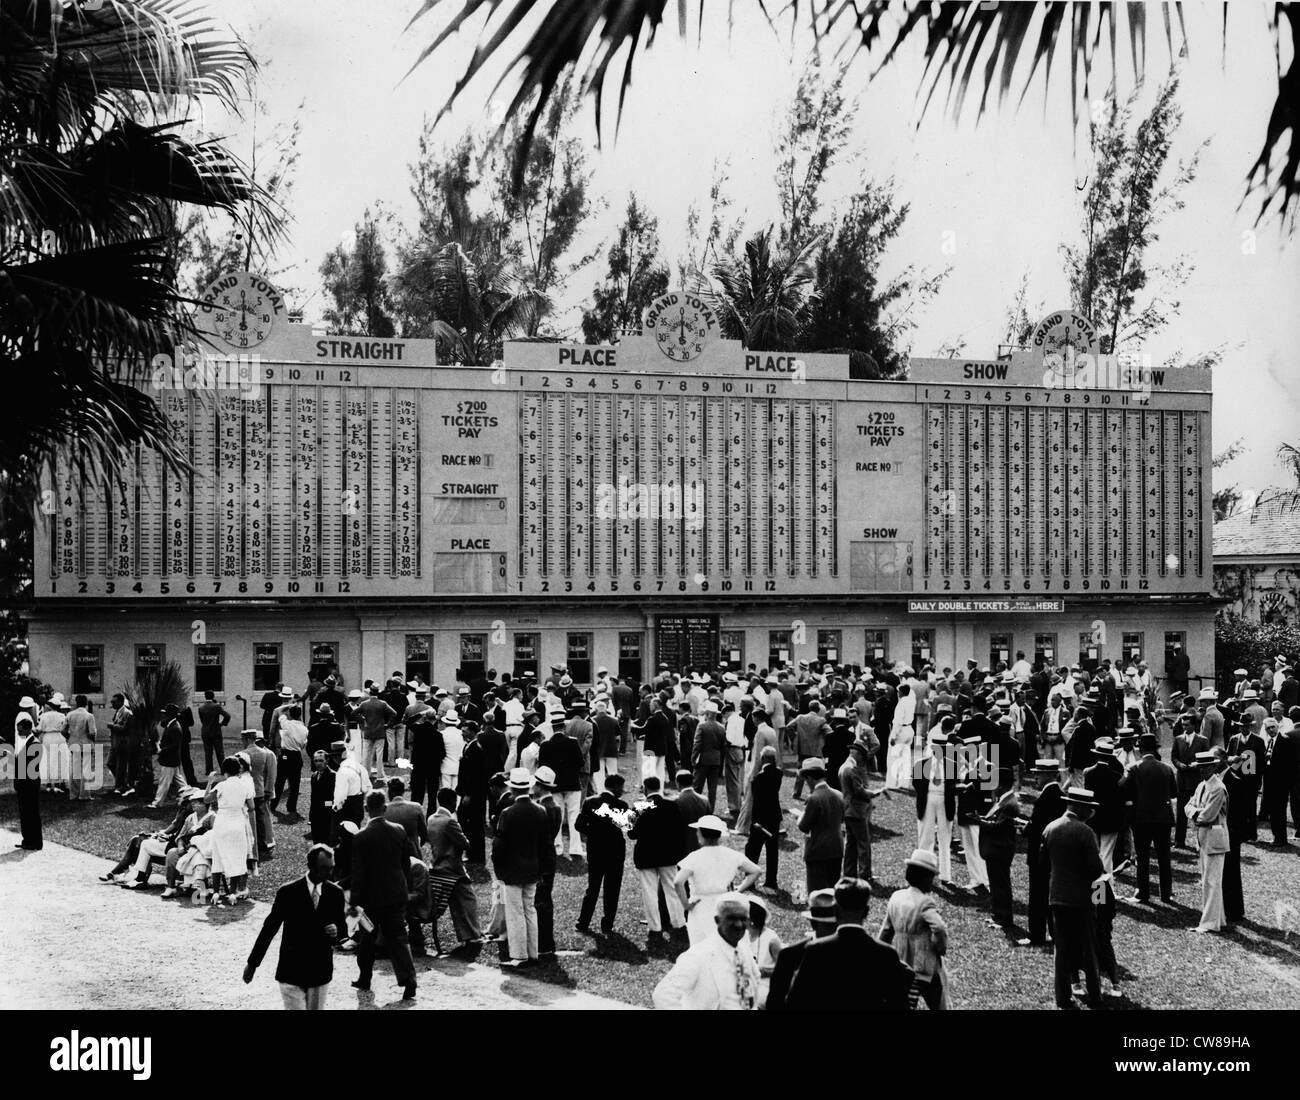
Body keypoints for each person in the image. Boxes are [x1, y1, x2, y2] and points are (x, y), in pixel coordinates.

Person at [783, 877, 915, 1011]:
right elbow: (900, 1005)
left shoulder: (815, 950)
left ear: (836, 911)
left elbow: (795, 1003)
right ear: (866, 912)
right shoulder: (886, 954)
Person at [243, 845, 346, 1009]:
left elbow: (343, 929)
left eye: (331, 868)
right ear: (311, 866)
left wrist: (337, 931)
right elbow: (269, 929)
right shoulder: (288, 892)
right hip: (291, 969)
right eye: (324, 868)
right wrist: (253, 963)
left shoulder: (336, 893)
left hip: (319, 969)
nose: (329, 873)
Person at [1040, 786, 1105, 1009]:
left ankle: (1062, 996)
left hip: (1057, 896)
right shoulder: (1085, 832)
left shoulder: (1051, 828)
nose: (1092, 812)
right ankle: (1095, 995)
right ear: (1080, 808)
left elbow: (1043, 864)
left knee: (1062, 949)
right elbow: (1096, 870)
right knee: (1089, 948)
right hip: (1082, 899)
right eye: (1090, 808)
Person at [349, 790, 418, 999]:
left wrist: (354, 901)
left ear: (365, 809)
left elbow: (358, 873)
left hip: (370, 900)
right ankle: (409, 980)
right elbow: (406, 863)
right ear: (384, 808)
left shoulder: (361, 836)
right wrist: (402, 886)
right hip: (395, 895)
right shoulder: (398, 830)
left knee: (366, 939)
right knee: (398, 938)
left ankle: (365, 977)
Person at [651, 894, 761, 1010]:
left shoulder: (744, 950)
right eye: (731, 918)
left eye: (743, 919)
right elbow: (663, 995)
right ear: (717, 920)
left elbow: (756, 981)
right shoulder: (699, 955)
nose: (738, 924)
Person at [492, 767, 551, 967]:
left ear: (514, 789)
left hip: (512, 869)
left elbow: (499, 846)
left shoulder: (507, 813)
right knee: (529, 909)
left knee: (515, 911)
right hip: (533, 868)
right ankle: (532, 952)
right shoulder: (540, 811)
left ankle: (519, 954)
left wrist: (499, 869)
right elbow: (545, 845)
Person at [880, 849, 950, 1009]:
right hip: (925, 965)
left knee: (902, 1003)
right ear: (925, 877)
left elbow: (886, 931)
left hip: (901, 963)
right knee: (940, 1003)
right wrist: (940, 947)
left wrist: (882, 954)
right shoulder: (925, 902)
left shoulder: (896, 897)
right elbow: (939, 928)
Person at [674, 815, 760, 944]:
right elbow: (756, 871)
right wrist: (739, 890)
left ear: (700, 834)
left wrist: (686, 905)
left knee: (701, 948)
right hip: (725, 905)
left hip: (700, 906)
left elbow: (678, 882)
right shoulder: (731, 855)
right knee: (727, 945)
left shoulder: (695, 857)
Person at [629, 774, 687, 943]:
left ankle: (655, 928)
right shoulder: (671, 805)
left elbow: (632, 834)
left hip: (646, 855)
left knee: (649, 892)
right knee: (672, 890)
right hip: (668, 855)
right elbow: (680, 830)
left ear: (645, 789)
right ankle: (679, 924)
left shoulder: (639, 806)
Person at [1119, 733, 1177, 905]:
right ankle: (1166, 893)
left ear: (1140, 748)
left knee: (1142, 858)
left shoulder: (1134, 768)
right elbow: (1174, 793)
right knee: (1164, 857)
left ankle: (1143, 893)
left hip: (1141, 818)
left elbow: (1124, 789)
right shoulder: (1166, 768)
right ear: (1155, 749)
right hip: (1163, 818)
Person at [426, 788, 483, 948]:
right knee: (468, 899)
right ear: (452, 802)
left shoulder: (431, 818)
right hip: (452, 868)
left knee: (458, 901)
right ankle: (472, 935)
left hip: (437, 866)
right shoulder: (449, 821)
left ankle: (468, 935)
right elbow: (465, 844)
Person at [765, 889, 839, 1010]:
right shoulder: (790, 956)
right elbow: (775, 1002)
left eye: (838, 925)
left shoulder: (850, 952)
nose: (835, 931)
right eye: (829, 926)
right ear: (813, 924)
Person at [575, 772, 629, 935]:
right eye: (621, 787)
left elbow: (579, 825)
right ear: (616, 787)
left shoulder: (590, 801)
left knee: (592, 888)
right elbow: (627, 826)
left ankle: (583, 922)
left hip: (595, 849)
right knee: (612, 889)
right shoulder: (622, 804)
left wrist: (592, 832)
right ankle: (607, 924)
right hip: (615, 851)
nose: (622, 790)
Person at [1185, 749, 1229, 933]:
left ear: (1213, 766)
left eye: (1205, 767)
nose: (1202, 770)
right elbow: (1188, 806)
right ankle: (1217, 919)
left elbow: (1208, 816)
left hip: (1215, 836)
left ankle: (1210, 922)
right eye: (1200, 767)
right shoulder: (1202, 785)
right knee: (1208, 880)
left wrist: (1195, 812)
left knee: (1212, 881)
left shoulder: (1218, 787)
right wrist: (1195, 812)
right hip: (1204, 837)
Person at [205, 758, 254, 904]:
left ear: (224, 770)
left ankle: (215, 893)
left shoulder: (221, 785)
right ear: (238, 769)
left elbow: (207, 799)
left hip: (222, 822)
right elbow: (251, 806)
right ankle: (232, 893)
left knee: (218, 856)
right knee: (237, 857)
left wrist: (209, 782)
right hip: (237, 822)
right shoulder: (244, 785)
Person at [979, 768, 1021, 930]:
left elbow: (999, 826)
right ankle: (998, 915)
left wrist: (980, 821)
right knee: (996, 884)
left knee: (1001, 885)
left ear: (1001, 784)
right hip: (997, 849)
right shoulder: (1003, 800)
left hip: (1001, 850)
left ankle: (1004, 918)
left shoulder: (1009, 803)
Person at [537, 717, 585, 859]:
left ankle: (557, 847)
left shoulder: (545, 745)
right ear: (564, 727)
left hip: (554, 784)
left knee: (557, 817)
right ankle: (575, 848)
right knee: (574, 815)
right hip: (572, 783)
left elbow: (542, 766)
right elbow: (580, 762)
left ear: (552, 728)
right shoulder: (573, 742)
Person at [915, 730, 957, 885]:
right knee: (926, 836)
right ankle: (924, 873)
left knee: (945, 838)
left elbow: (954, 784)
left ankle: (945, 876)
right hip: (928, 798)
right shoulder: (922, 764)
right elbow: (916, 783)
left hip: (944, 800)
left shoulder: (952, 765)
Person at [796, 758, 844, 893]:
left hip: (818, 850)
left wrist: (800, 816)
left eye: (805, 780)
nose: (806, 783)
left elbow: (803, 826)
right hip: (836, 848)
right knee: (832, 891)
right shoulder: (838, 794)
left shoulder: (814, 798)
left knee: (816, 893)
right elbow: (841, 819)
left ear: (810, 778)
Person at [839, 737, 884, 881]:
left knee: (850, 844)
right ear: (857, 753)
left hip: (847, 809)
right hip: (857, 810)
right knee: (863, 844)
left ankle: (849, 872)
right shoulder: (852, 769)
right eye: (862, 755)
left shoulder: (844, 766)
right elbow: (859, 791)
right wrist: (874, 793)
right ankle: (865, 873)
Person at [531, 766, 563, 956]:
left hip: (542, 860)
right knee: (544, 900)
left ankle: (543, 942)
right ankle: (545, 941)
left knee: (541, 901)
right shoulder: (553, 806)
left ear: (540, 786)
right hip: (548, 859)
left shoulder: (545, 808)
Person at [744, 747, 783, 890]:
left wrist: (753, 822)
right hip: (774, 816)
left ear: (763, 759)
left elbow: (757, 801)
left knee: (752, 849)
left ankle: (750, 880)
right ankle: (771, 880)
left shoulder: (758, 778)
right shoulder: (779, 773)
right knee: (772, 850)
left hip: (760, 818)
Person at [9, 713, 43, 849]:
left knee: (32, 813)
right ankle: (28, 840)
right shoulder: (27, 743)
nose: (19, 733)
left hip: (29, 783)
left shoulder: (34, 743)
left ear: (28, 729)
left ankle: (35, 841)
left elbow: (27, 764)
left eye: (20, 730)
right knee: (25, 813)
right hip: (24, 783)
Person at [744, 896, 783, 1007]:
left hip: (765, 984)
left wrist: (764, 971)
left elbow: (785, 969)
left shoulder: (771, 939)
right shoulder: (742, 935)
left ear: (751, 920)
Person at [272, 705, 309, 816]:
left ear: (290, 714)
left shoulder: (287, 724)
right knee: (295, 784)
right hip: (297, 755)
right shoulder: (304, 729)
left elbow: (279, 712)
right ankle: (291, 807)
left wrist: (288, 705)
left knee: (279, 782)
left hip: (286, 754)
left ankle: (273, 804)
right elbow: (303, 744)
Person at [691, 701, 726, 811]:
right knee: (712, 788)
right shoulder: (722, 727)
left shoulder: (702, 726)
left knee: (697, 786)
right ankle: (710, 810)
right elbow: (723, 746)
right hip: (716, 760)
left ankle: (696, 808)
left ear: (708, 714)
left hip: (703, 759)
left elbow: (697, 744)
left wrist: (693, 758)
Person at [148, 705, 183, 809]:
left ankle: (157, 803)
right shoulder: (171, 725)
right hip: (171, 759)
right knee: (180, 781)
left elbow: (175, 745)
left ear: (169, 715)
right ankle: (191, 795)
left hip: (170, 759)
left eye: (165, 714)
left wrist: (162, 750)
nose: (163, 715)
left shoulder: (175, 727)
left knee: (164, 782)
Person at [384, 777, 428, 857]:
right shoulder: (416, 807)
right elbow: (424, 835)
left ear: (389, 792)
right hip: (413, 853)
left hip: (390, 855)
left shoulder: (383, 810)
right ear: (403, 791)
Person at [64, 695, 97, 801]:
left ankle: (73, 794)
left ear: (76, 702)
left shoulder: (70, 715)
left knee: (74, 769)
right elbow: (92, 732)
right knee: (86, 769)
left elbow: (63, 730)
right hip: (86, 744)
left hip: (74, 744)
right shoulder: (89, 716)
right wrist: (93, 741)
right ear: (86, 703)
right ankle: (84, 795)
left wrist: (70, 738)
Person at [198, 692, 231, 776]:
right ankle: (223, 769)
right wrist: (222, 724)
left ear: (205, 697)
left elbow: (202, 720)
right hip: (216, 731)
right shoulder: (216, 706)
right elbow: (227, 716)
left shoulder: (201, 708)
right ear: (213, 696)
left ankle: (209, 770)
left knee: (208, 752)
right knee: (220, 752)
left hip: (205, 731)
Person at [307, 751, 336, 845]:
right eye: (315, 761)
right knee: (316, 842)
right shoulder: (314, 776)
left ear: (327, 761)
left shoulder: (333, 776)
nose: (318, 763)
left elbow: (334, 799)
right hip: (315, 815)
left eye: (320, 760)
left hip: (327, 816)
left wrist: (324, 805)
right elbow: (313, 797)